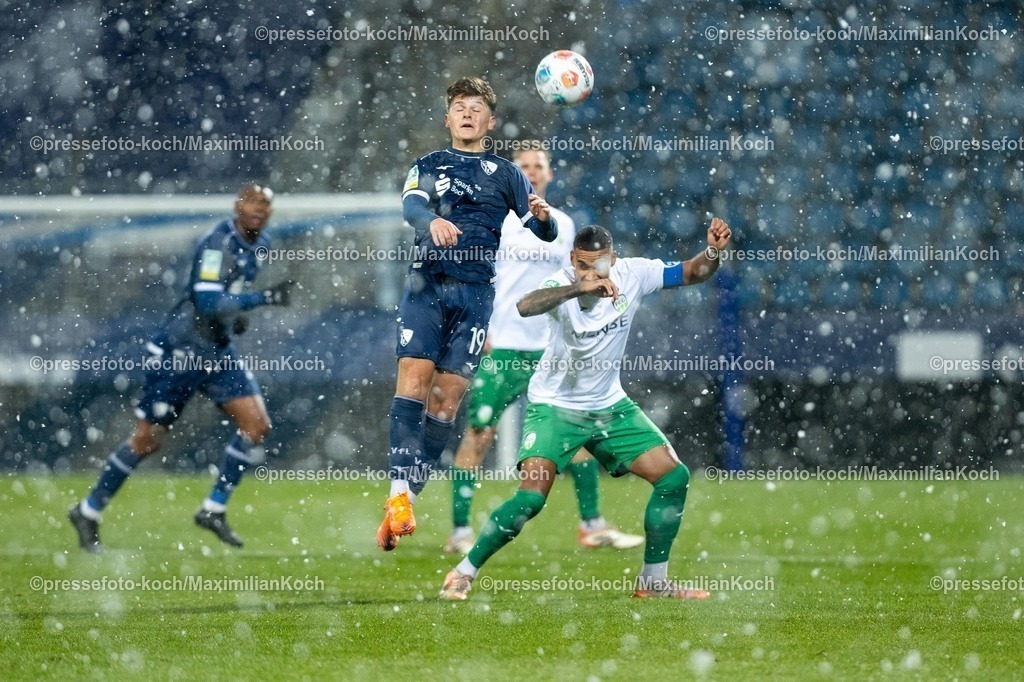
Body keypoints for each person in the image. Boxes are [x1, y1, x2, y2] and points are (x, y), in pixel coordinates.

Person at [440, 219, 732, 600]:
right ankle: (463, 572)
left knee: (673, 478)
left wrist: (712, 251)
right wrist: (577, 286)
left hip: (609, 406)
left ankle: (653, 581)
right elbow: (526, 305)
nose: (591, 272)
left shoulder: (635, 274)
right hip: (555, 408)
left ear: (614, 259)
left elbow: (694, 273)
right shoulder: (561, 286)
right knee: (530, 498)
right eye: (582, 264)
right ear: (572, 259)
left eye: (599, 265)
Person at [378, 77, 558, 551]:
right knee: (413, 383)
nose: (466, 114)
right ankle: (398, 494)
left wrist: (543, 218)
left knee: (447, 404)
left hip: (476, 297)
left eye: (476, 108)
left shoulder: (507, 173)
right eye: (459, 106)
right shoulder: (428, 165)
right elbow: (411, 206)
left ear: (489, 121)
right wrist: (432, 219)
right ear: (447, 117)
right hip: (428, 287)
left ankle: (408, 495)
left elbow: (544, 231)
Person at [68, 183, 295, 552]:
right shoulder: (217, 242)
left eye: (266, 204)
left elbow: (226, 296)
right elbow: (206, 301)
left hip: (217, 351)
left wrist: (236, 316)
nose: (259, 209)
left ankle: (213, 509)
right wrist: (261, 299)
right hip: (181, 351)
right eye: (252, 202)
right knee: (147, 441)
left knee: (257, 425)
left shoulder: (261, 243)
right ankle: (88, 510)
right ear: (238, 205)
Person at [446, 147, 641, 555]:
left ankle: (591, 526)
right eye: (524, 167)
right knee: (480, 432)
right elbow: (474, 280)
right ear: (514, 176)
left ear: (550, 175)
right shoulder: (495, 222)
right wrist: (479, 333)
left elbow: (583, 282)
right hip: (503, 347)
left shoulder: (565, 226)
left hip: (551, 351)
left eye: (539, 166)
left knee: (577, 437)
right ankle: (460, 531)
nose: (532, 173)